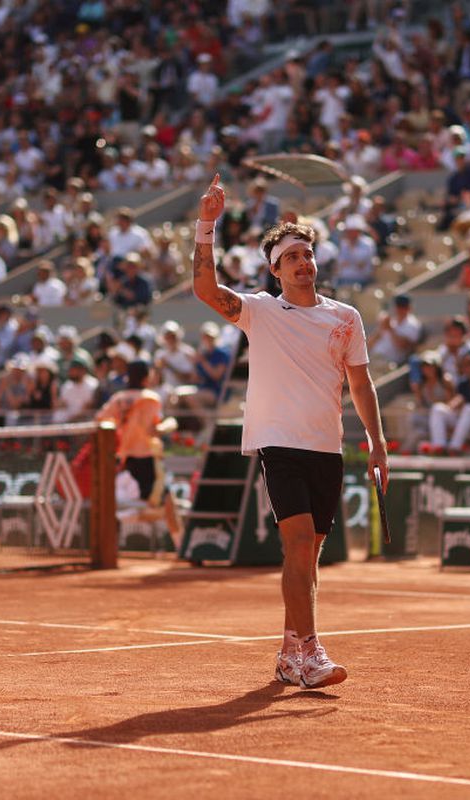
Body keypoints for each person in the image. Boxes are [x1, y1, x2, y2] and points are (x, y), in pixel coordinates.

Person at [192, 175, 387, 691]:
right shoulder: (259, 309)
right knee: (299, 543)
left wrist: (377, 441)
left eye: (307, 253)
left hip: (327, 445)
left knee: (310, 554)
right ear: (275, 270)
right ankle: (311, 651)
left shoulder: (344, 319)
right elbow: (205, 290)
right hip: (279, 443)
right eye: (291, 256)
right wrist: (206, 225)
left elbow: (361, 384)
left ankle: (288, 652)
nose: (303, 262)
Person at [97, 359, 183, 551]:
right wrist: (171, 423)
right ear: (146, 376)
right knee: (166, 505)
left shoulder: (118, 398)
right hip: (147, 459)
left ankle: (180, 545)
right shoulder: (150, 398)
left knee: (156, 505)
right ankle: (182, 547)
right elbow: (155, 429)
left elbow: (100, 419)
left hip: (125, 459)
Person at [368, 294, 423, 367]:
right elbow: (369, 344)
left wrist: (390, 329)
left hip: (389, 363)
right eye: (398, 306)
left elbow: (402, 346)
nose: (400, 309)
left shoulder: (413, 324)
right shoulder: (391, 321)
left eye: (403, 307)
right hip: (373, 358)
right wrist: (380, 328)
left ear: (409, 308)